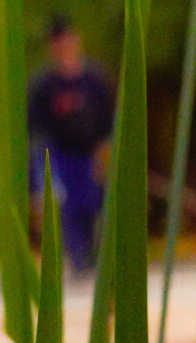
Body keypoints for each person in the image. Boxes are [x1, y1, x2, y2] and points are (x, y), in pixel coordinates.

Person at [29, 17, 114, 273]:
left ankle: (97, 257)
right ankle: (79, 260)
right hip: (61, 155)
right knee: (70, 208)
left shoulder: (95, 79)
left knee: (95, 204)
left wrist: (106, 149)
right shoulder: (44, 84)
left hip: (92, 153)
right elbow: (36, 125)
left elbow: (109, 116)